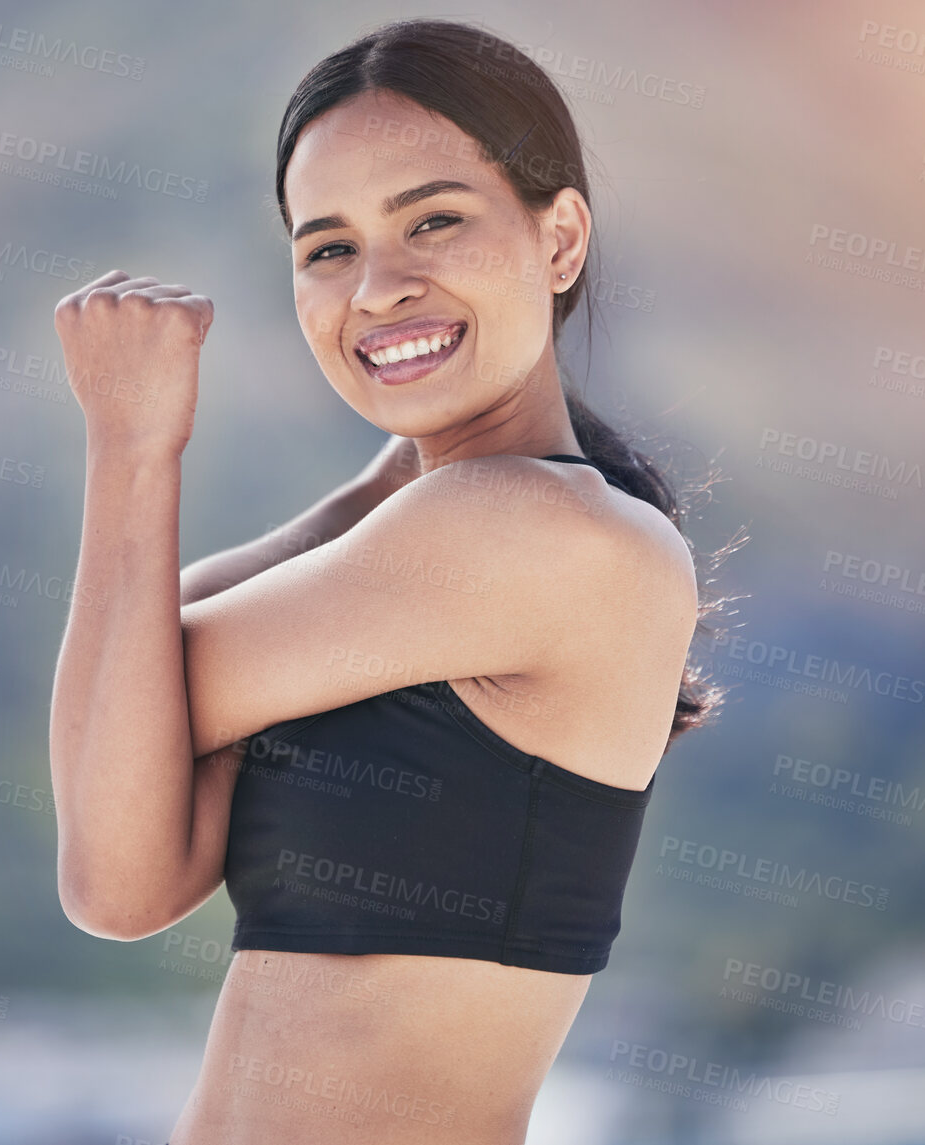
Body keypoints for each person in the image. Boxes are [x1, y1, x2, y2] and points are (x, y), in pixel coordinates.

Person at [48, 18, 734, 1143]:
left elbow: (119, 725)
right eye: (328, 248)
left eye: (434, 221)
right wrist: (389, 477)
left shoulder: (543, 527)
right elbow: (124, 876)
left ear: (559, 239)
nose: (377, 287)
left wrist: (131, 446)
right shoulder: (425, 529)